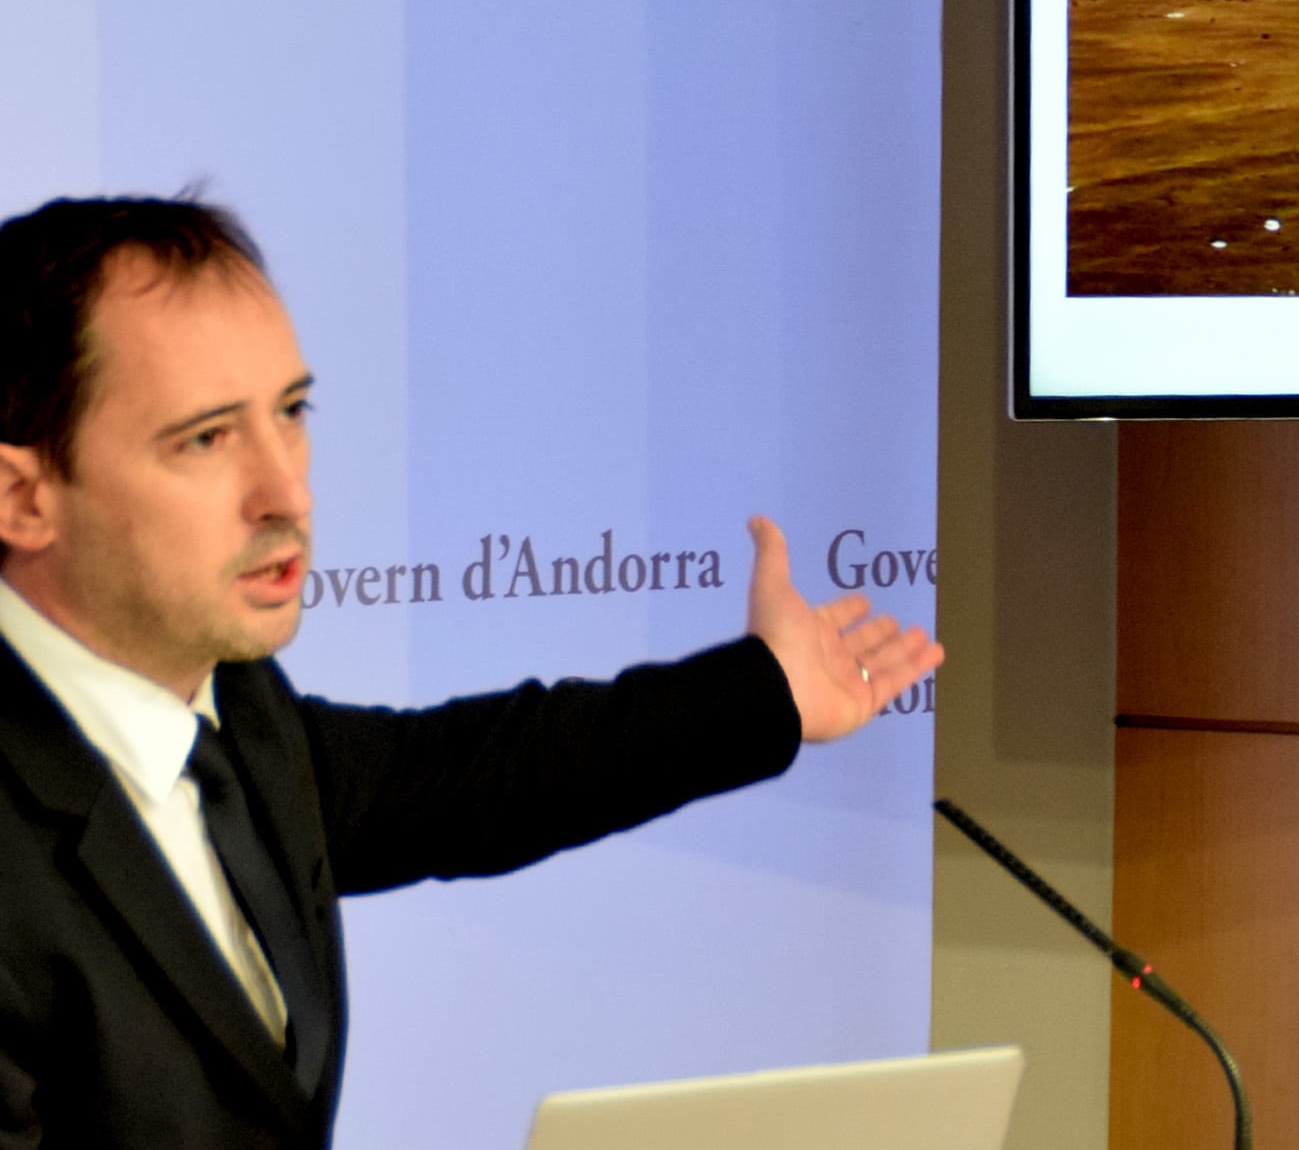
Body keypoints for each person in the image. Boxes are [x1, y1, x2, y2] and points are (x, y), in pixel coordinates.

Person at [0, 193, 943, 1149]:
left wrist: (764, 692)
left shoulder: (234, 710)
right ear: (22, 498)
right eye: (205, 438)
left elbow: (471, 775)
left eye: (291, 412)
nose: (288, 490)